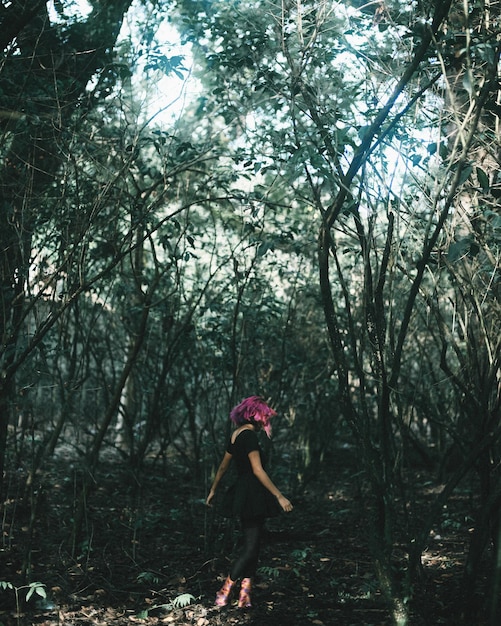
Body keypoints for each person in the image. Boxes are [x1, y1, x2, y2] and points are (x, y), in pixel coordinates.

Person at [206, 396, 293, 609]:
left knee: (253, 545)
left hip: (243, 493)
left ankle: (245, 596)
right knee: (251, 546)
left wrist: (213, 490)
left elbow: (223, 467)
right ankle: (224, 590)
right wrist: (279, 496)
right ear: (254, 415)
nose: (266, 419)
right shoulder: (250, 437)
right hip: (252, 493)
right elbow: (257, 470)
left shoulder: (236, 435)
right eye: (264, 415)